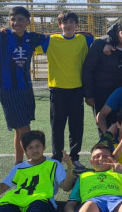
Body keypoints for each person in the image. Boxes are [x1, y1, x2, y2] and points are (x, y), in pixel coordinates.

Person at [0, 6, 48, 164]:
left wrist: (76, 33)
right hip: (8, 90)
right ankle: (32, 162)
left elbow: (52, 37)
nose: (16, 23)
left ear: (27, 22)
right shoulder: (1, 36)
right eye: (13, 19)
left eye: (20, 20)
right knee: (25, 129)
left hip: (26, 88)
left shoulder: (32, 37)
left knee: (21, 128)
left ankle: (18, 163)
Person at [43, 10, 94, 172]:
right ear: (59, 25)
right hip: (57, 90)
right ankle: (57, 158)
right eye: (65, 22)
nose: (68, 25)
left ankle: (75, 157)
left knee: (76, 126)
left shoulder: (84, 40)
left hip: (77, 90)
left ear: (77, 25)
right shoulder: (50, 41)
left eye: (72, 22)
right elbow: (28, 39)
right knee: (57, 126)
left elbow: (106, 39)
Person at [0, 131, 76, 212]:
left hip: (41, 202)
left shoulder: (54, 164)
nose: (34, 150)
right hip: (16, 201)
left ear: (44, 147)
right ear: (25, 151)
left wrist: (69, 167)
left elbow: (66, 187)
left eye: (37, 146)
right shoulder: (19, 168)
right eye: (30, 147)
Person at [82, 18, 122, 128]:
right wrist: (89, 94)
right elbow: (88, 70)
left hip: (121, 90)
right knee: (102, 123)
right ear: (118, 32)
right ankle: (105, 144)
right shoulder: (100, 44)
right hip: (100, 91)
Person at [65, 143, 122, 212]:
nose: (101, 159)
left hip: (119, 200)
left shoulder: (120, 173)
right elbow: (71, 203)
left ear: (111, 159)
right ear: (91, 161)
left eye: (105, 156)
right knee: (89, 205)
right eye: (97, 156)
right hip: (93, 201)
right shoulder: (83, 176)